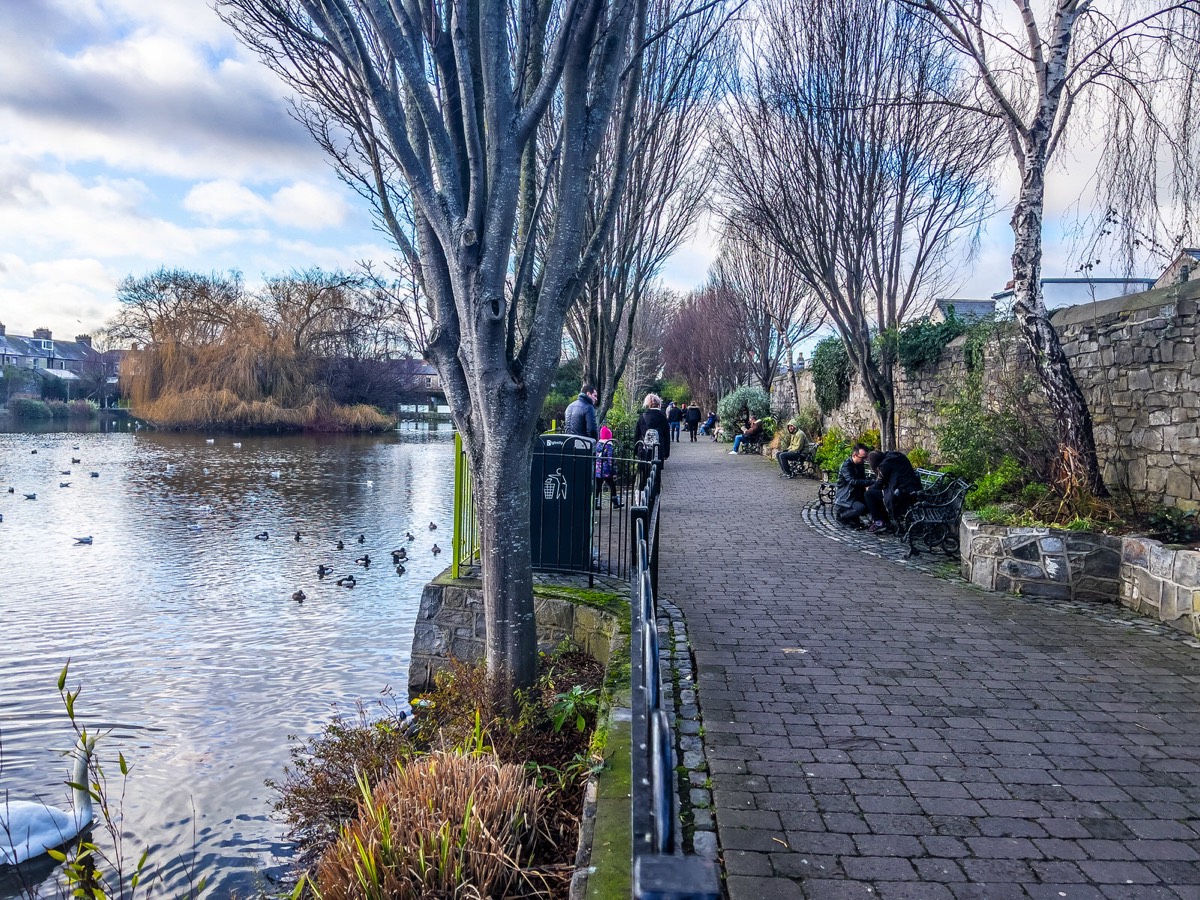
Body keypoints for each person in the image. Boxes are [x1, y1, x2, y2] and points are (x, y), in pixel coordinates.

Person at [865, 449, 923, 533]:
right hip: (912, 488)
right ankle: (883, 521)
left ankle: (880, 522)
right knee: (877, 493)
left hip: (902, 494)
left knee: (869, 494)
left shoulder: (885, 465)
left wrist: (869, 488)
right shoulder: (895, 456)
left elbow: (879, 484)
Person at [835, 443, 873, 528]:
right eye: (862, 458)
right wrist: (870, 482)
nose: (864, 460)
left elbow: (862, 478)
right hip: (845, 498)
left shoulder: (860, 464)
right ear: (854, 455)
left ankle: (854, 518)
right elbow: (852, 481)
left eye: (866, 457)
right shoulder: (846, 465)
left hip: (855, 495)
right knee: (861, 507)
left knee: (871, 502)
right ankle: (841, 516)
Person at [635, 393, 671, 464]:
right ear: (658, 404)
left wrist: (636, 450)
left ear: (647, 404)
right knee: (656, 471)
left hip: (644, 448)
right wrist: (666, 453)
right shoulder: (663, 417)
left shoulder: (642, 417)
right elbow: (667, 436)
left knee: (644, 471)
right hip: (658, 449)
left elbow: (636, 434)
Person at [594, 425, 623, 508]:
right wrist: (613, 471)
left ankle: (595, 503)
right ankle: (615, 503)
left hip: (598, 469)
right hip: (606, 470)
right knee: (612, 485)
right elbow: (610, 459)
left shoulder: (598, 444)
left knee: (598, 487)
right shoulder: (608, 445)